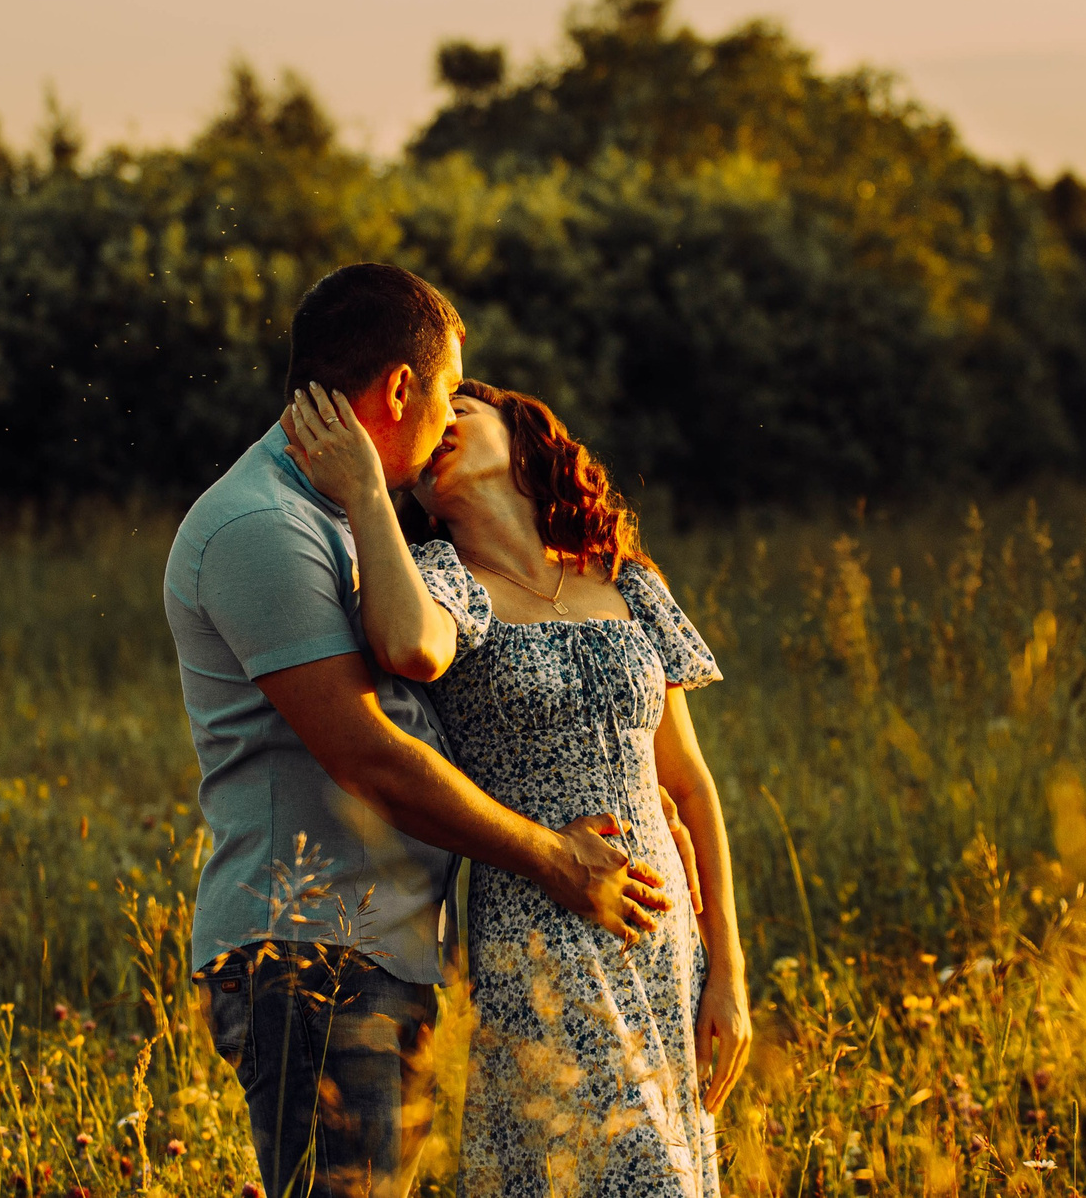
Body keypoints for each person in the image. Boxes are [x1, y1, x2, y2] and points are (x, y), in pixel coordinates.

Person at [164, 264, 677, 1198]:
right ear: (401, 388)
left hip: (382, 951)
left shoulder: (346, 517)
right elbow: (370, 757)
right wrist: (551, 856)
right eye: (448, 393)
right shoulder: (262, 524)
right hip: (311, 950)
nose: (450, 419)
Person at [282, 377, 750, 1198]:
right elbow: (405, 643)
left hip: (670, 942)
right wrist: (366, 490)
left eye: (461, 410)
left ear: (524, 438)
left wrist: (729, 972)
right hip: (543, 927)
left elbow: (689, 782)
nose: (441, 427)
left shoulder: (626, 580)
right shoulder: (442, 578)